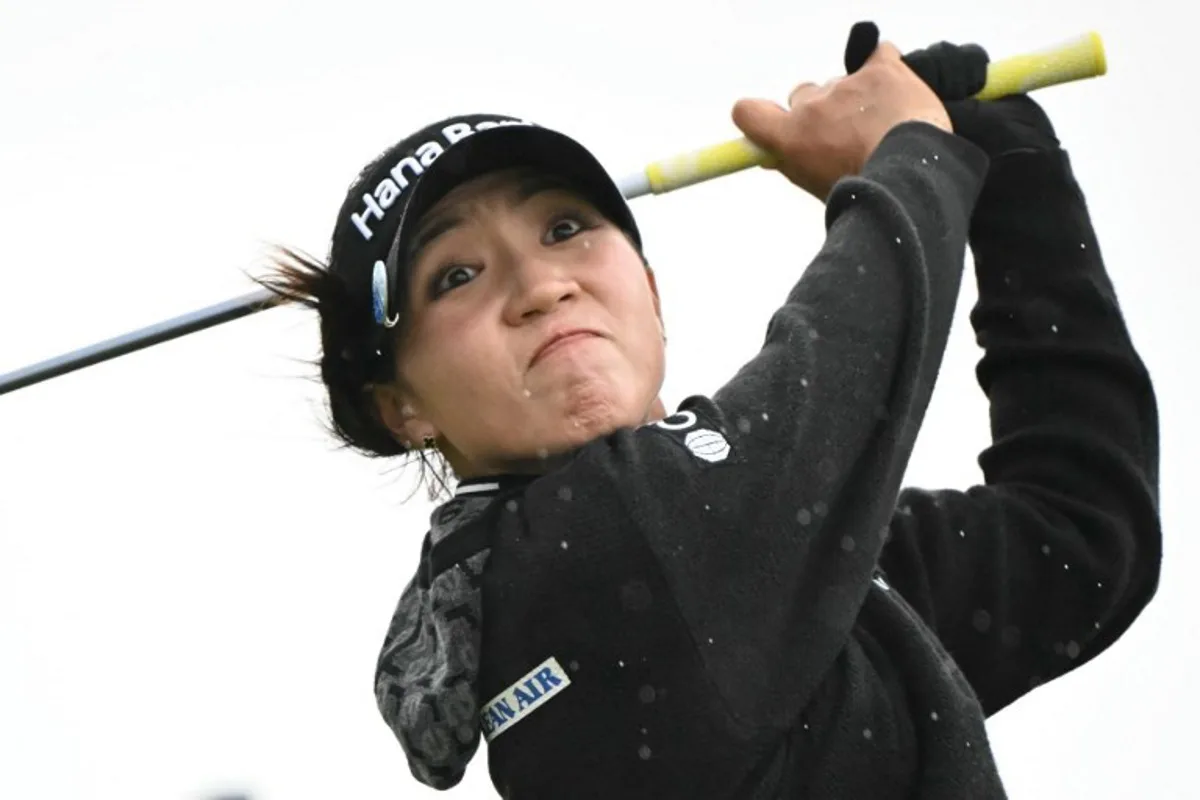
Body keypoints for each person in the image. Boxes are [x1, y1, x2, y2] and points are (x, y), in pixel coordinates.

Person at [257, 26, 1161, 800]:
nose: (542, 285)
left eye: (565, 228)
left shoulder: (768, 563)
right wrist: (916, 155)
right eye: (457, 275)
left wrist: (1013, 181)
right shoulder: (587, 559)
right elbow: (840, 364)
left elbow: (1079, 533)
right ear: (401, 407)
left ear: (651, 294)